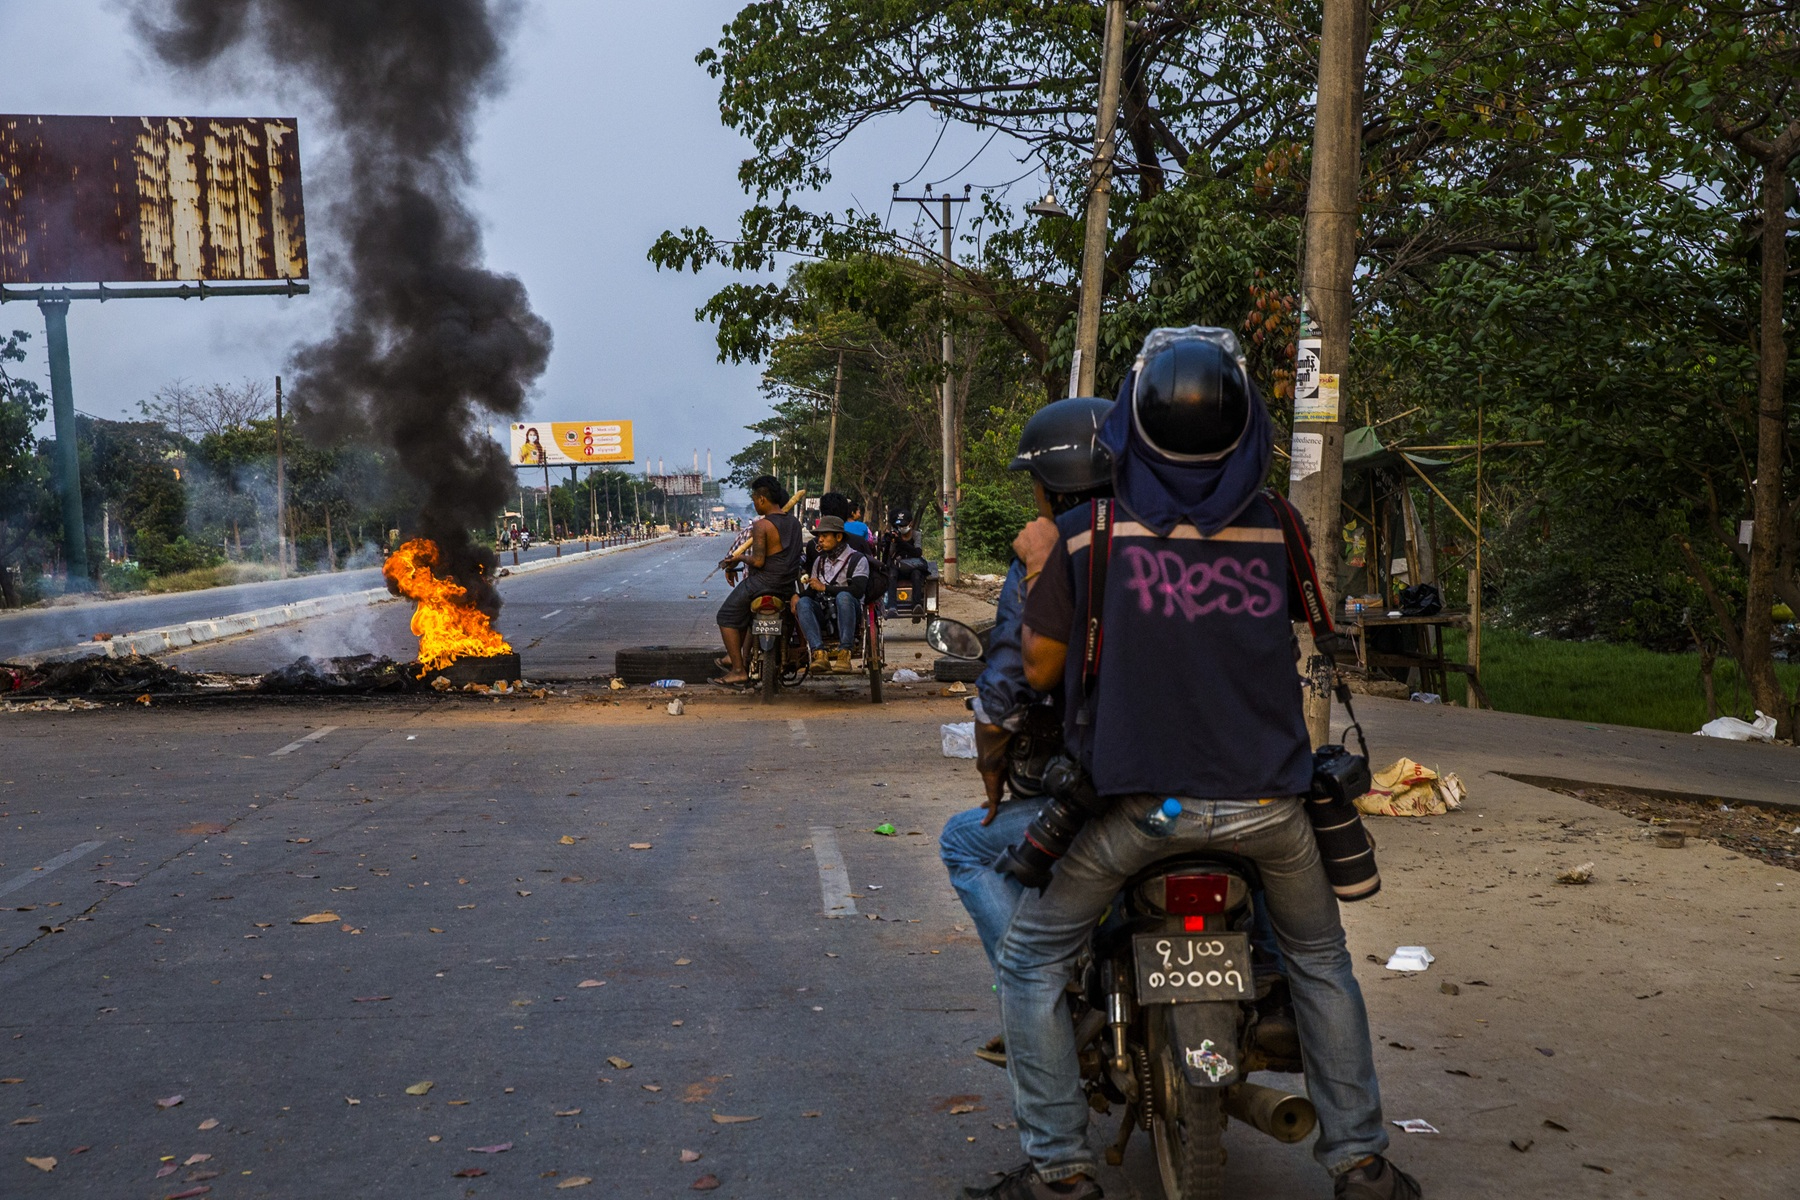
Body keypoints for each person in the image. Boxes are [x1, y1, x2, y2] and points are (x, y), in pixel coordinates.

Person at [968, 329, 1419, 1200]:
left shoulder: (1084, 534)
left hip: (1140, 810)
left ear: (1128, 425)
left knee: (1029, 963)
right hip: (1271, 808)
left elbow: (1041, 674)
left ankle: (1059, 1170)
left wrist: (1042, 566)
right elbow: (1302, 628)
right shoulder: (1280, 524)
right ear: (1247, 426)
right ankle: (1362, 1162)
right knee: (1322, 962)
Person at [938, 396, 1114, 970]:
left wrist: (991, 764)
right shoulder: (1170, 538)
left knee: (961, 843)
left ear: (1048, 487)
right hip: (1229, 786)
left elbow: (1018, 677)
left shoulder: (1048, 547)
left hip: (1109, 786)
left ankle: (1040, 980)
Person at [712, 475, 801, 687]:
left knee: (725, 616)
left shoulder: (762, 525)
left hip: (764, 582)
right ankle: (737, 657)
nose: (754, 503)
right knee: (741, 613)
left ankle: (737, 669)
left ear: (762, 499)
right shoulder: (795, 523)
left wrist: (739, 558)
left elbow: (759, 561)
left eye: (754, 499)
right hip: (787, 585)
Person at [794, 514, 870, 673]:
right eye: (819, 536)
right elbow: (811, 592)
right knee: (803, 603)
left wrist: (825, 588)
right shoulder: (819, 561)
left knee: (844, 597)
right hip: (825, 613)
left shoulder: (857, 559)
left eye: (824, 535)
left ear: (839, 536)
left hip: (850, 613)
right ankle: (819, 654)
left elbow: (858, 590)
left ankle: (844, 654)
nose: (820, 540)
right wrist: (796, 598)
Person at [879, 508, 930, 617]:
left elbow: (917, 552)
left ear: (910, 524)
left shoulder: (916, 535)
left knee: (916, 574)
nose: (901, 528)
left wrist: (901, 542)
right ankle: (892, 606)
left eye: (904, 525)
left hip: (912, 567)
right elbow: (889, 555)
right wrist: (889, 543)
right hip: (898, 567)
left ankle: (916, 605)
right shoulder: (895, 536)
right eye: (899, 526)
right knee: (892, 574)